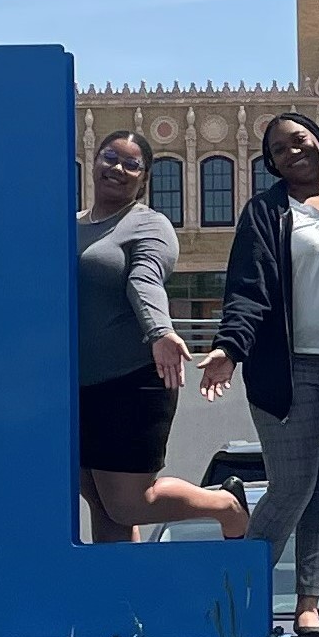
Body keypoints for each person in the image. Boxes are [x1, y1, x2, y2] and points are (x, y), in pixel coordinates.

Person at [197, 112, 319, 637]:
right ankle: (232, 601)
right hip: (287, 371)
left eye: (300, 140)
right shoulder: (266, 212)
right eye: (280, 150)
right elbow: (249, 289)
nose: (294, 152)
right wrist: (229, 347)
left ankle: (308, 607)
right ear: (271, 164)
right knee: (292, 485)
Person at [73, 130, 251, 543]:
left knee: (129, 503)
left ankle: (227, 505)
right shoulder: (70, 224)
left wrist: (161, 331)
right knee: (99, 501)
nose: (118, 168)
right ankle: (123, 585)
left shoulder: (149, 225)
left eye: (131, 164)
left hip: (133, 379)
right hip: (77, 384)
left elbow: (144, 280)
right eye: (110, 157)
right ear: (94, 161)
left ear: (144, 178)